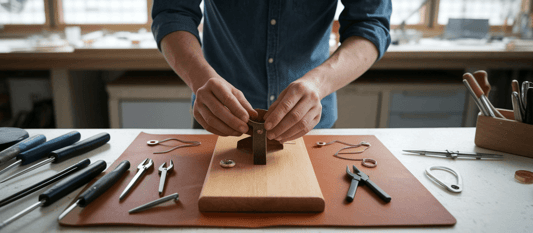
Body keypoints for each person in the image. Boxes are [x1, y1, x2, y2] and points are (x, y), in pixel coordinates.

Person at [152, 0, 391, 142]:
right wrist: (200, 78)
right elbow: (172, 12)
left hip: (311, 122)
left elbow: (371, 24)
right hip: (217, 116)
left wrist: (319, 84)